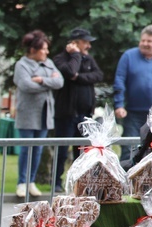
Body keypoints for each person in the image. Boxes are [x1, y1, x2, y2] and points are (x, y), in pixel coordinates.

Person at [52, 28, 103, 192]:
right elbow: (70, 71)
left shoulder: (88, 59)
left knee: (81, 152)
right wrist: (75, 56)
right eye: (85, 42)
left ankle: (78, 182)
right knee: (61, 150)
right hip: (66, 114)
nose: (88, 45)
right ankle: (56, 182)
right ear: (75, 42)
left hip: (84, 115)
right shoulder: (61, 59)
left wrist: (79, 78)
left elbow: (98, 75)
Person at [13, 30, 63, 198]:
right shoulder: (22, 65)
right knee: (26, 149)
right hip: (28, 114)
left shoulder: (48, 62)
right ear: (33, 50)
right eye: (44, 49)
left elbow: (60, 81)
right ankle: (21, 182)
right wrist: (50, 82)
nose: (47, 52)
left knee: (38, 150)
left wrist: (41, 80)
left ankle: (31, 182)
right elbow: (26, 85)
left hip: (45, 113)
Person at [114, 25, 152, 163]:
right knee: (129, 149)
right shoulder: (129, 56)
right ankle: (125, 182)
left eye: (149, 41)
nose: (145, 43)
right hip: (133, 114)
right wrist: (119, 104)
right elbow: (119, 80)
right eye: (143, 40)